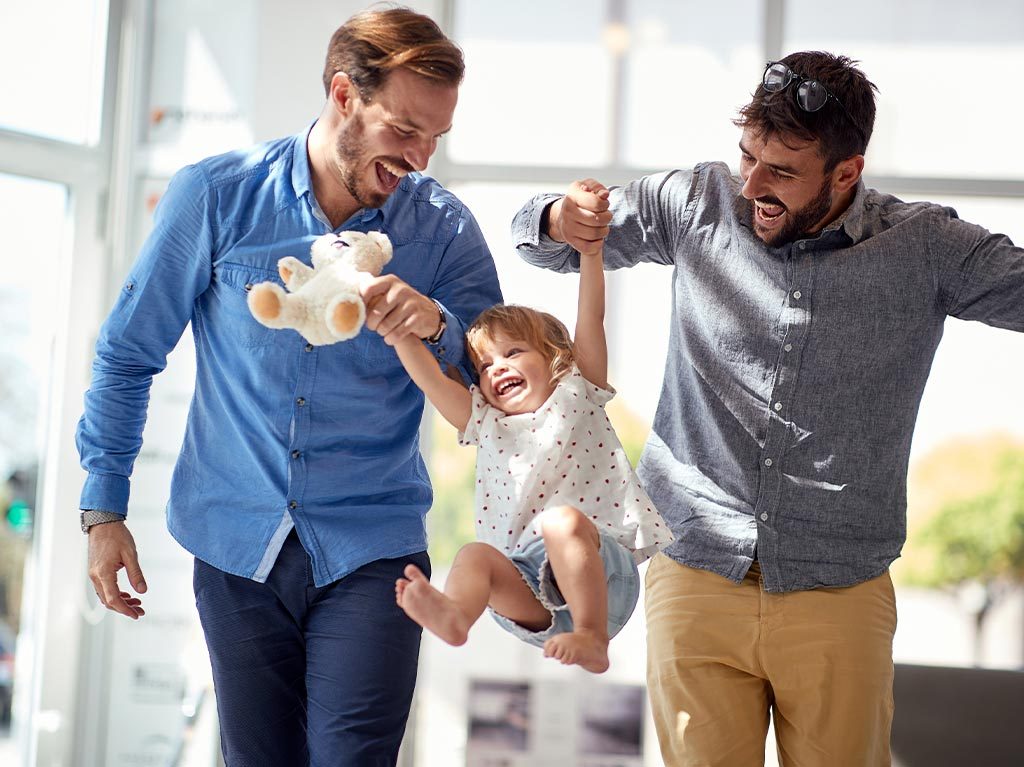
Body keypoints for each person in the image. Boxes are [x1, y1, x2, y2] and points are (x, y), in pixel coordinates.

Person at [512, 52, 1024, 766]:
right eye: (747, 156)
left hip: (837, 592)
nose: (751, 183)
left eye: (782, 170)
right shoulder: (695, 202)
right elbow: (542, 239)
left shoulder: (926, 248)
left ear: (847, 173)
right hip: (694, 574)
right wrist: (564, 217)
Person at [76, 7, 501, 765]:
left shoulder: (446, 231)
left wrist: (437, 324)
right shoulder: (214, 196)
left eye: (435, 137)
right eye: (405, 130)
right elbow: (127, 352)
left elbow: (499, 391)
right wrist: (102, 510)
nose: (421, 157)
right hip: (234, 540)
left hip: (374, 547)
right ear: (344, 95)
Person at [390, 194, 673, 673]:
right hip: (526, 584)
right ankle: (457, 614)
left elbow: (591, 318)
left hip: (599, 572)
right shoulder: (486, 421)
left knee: (561, 522)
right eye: (484, 366)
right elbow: (432, 380)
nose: (497, 369)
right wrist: (397, 332)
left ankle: (591, 638)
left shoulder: (578, 390)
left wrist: (591, 254)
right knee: (474, 555)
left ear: (553, 357)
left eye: (513, 353)